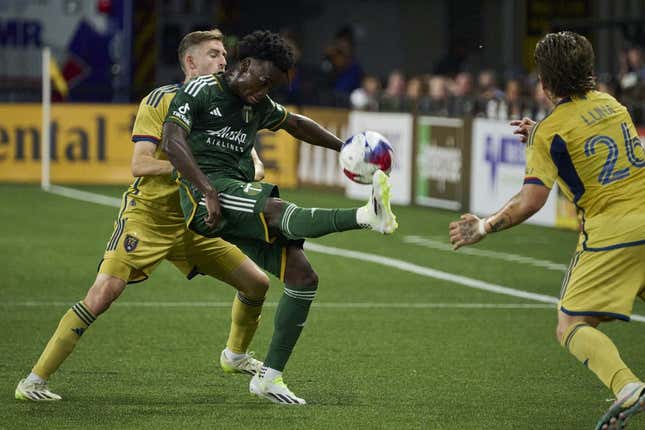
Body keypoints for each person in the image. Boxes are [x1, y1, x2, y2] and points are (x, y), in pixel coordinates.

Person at [15, 29, 271, 401]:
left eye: (224, 56)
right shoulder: (161, 100)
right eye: (214, 54)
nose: (222, 61)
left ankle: (235, 355)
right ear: (190, 62)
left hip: (192, 222)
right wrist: (194, 172)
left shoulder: (227, 105)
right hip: (147, 218)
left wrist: (245, 170)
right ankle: (34, 381)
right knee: (103, 293)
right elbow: (140, 163)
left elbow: (254, 162)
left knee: (257, 284)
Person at [162, 30, 398, 405]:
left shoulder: (257, 103)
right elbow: (171, 139)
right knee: (275, 211)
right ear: (245, 65)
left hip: (234, 196)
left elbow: (296, 123)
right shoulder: (201, 90)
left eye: (273, 85)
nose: (265, 90)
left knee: (303, 277)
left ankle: (269, 378)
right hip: (207, 196)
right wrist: (206, 190)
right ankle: (367, 215)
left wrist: (346, 148)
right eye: (263, 81)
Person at [448, 32, 644, 430]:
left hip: (613, 234)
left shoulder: (549, 133)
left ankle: (628, 388)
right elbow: (583, 127)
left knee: (571, 324)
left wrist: (484, 226)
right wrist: (542, 131)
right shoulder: (612, 104)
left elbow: (531, 200)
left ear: (544, 83)